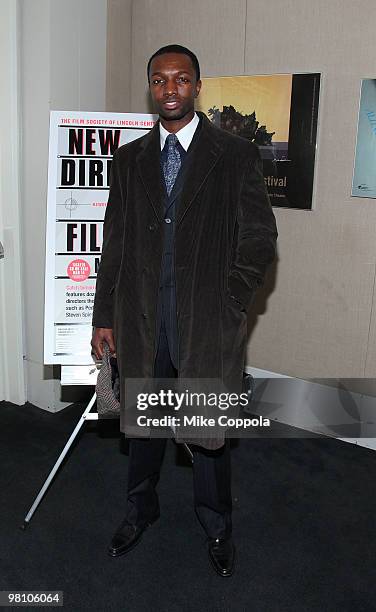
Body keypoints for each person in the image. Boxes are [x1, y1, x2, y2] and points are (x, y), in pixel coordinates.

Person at [91, 44, 277, 577]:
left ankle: (217, 525)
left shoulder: (236, 155)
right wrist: (105, 316)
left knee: (206, 429)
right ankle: (139, 509)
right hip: (141, 319)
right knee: (143, 425)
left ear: (197, 86)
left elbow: (260, 238)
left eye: (180, 79)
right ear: (151, 87)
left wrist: (232, 301)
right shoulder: (128, 160)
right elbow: (115, 246)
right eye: (159, 80)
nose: (169, 89)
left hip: (205, 322)